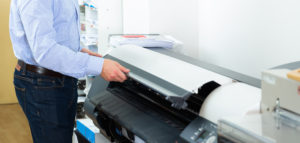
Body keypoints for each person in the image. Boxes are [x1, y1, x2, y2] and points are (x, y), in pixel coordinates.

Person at [9, 0, 130, 142]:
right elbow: (45, 51)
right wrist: (98, 66)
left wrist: (77, 50)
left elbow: (58, 26)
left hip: (55, 79)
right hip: (43, 83)